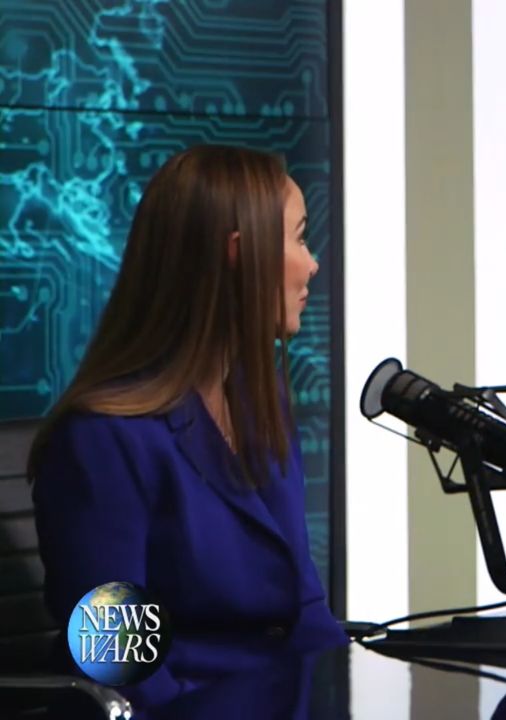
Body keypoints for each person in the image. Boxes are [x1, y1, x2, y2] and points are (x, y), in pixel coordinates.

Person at [27, 145, 348, 705]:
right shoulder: (102, 439)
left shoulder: (260, 397)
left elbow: (305, 607)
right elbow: (119, 662)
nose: (313, 263)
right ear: (238, 255)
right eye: (299, 239)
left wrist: (345, 696)